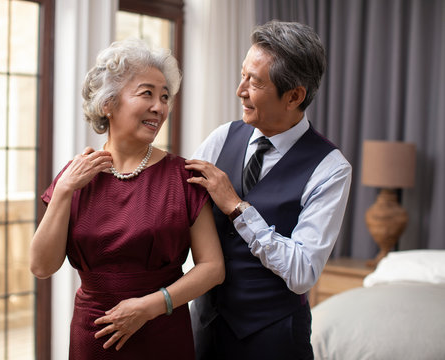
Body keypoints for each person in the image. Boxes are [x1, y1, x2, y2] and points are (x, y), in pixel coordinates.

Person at [30, 38, 224, 360]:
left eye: (165, 97)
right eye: (147, 93)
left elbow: (213, 268)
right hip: (96, 337)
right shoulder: (75, 175)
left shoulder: (182, 176)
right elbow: (41, 266)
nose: (159, 107)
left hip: (163, 332)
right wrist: (64, 190)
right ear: (108, 103)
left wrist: (149, 307)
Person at [185, 20, 352, 359]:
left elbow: (303, 272)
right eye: (243, 75)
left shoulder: (330, 169)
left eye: (255, 82)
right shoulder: (221, 138)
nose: (240, 90)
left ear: (294, 96)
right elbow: (175, 207)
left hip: (274, 338)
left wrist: (237, 207)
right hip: (203, 328)